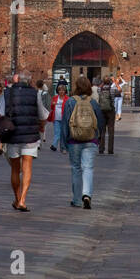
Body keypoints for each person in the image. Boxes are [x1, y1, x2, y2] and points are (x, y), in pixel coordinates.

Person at [4, 69, 47, 211]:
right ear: (29, 81)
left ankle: (17, 199)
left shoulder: (8, 93)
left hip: (12, 135)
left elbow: (0, 112)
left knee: (15, 169)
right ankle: (22, 200)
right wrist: (41, 125)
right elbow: (42, 115)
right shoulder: (35, 93)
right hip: (30, 136)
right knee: (27, 167)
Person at [63, 76, 104, 208]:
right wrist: (98, 137)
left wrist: (64, 142)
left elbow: (65, 122)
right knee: (88, 168)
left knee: (76, 168)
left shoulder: (70, 101)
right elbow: (100, 121)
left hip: (74, 140)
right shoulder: (93, 102)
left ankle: (76, 199)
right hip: (90, 139)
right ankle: (87, 194)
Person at [97, 74, 117, 155]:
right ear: (110, 82)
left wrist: (102, 83)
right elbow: (119, 92)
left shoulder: (99, 89)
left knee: (102, 130)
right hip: (111, 111)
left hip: (102, 111)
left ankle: (101, 148)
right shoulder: (112, 90)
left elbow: (99, 88)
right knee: (111, 130)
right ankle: (110, 150)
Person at [48, 80, 69, 153]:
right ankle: (54, 146)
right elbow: (52, 107)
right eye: (60, 90)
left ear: (65, 91)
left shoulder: (67, 99)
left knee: (64, 133)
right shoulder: (55, 98)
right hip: (56, 118)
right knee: (57, 133)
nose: (61, 91)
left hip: (64, 119)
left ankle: (63, 147)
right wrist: (53, 104)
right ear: (58, 91)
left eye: (63, 90)